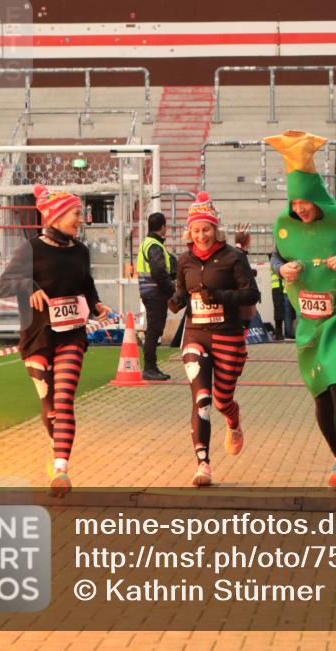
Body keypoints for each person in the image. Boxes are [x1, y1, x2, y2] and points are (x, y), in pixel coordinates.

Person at [267, 130, 336, 490]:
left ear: (317, 198)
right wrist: (278, 268)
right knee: (319, 392)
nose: (299, 210)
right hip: (309, 323)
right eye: (294, 204)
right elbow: (275, 256)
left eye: (304, 203)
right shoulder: (285, 228)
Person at [0, 184, 110, 496]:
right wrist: (29, 286)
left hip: (72, 334)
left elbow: (87, 284)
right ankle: (55, 441)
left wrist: (97, 304)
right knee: (50, 409)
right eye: (76, 213)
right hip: (37, 338)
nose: (81, 218)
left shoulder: (81, 251)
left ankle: (61, 469)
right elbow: (2, 286)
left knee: (64, 401)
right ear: (57, 216)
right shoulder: (30, 250)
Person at [168, 194, 260, 486]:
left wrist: (220, 296)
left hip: (227, 335)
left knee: (221, 400)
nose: (201, 235)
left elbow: (251, 294)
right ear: (189, 232)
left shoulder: (234, 257)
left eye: (206, 229)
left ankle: (233, 420)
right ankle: (203, 464)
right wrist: (176, 300)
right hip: (196, 335)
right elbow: (183, 289)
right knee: (202, 399)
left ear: (215, 229)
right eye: (196, 230)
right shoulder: (185, 259)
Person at [136, 211, 175, 381]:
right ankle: (150, 368)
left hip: (149, 292)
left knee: (153, 330)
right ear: (163, 227)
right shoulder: (155, 246)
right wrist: (172, 290)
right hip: (155, 293)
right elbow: (159, 271)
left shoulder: (147, 243)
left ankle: (150, 366)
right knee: (154, 330)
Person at [268, 260, 287, 340]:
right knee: (278, 311)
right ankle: (278, 333)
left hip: (279, 288)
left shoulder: (276, 265)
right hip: (277, 289)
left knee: (280, 311)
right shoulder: (275, 265)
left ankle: (279, 333)